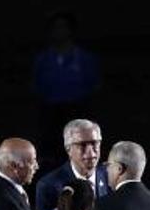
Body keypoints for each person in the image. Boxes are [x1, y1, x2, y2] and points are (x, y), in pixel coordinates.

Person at [32, 11, 99, 154]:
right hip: (50, 113)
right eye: (56, 28)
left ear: (70, 30)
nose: (59, 31)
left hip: (77, 110)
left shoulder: (84, 58)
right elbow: (36, 84)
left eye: (63, 27)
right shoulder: (43, 59)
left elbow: (93, 83)